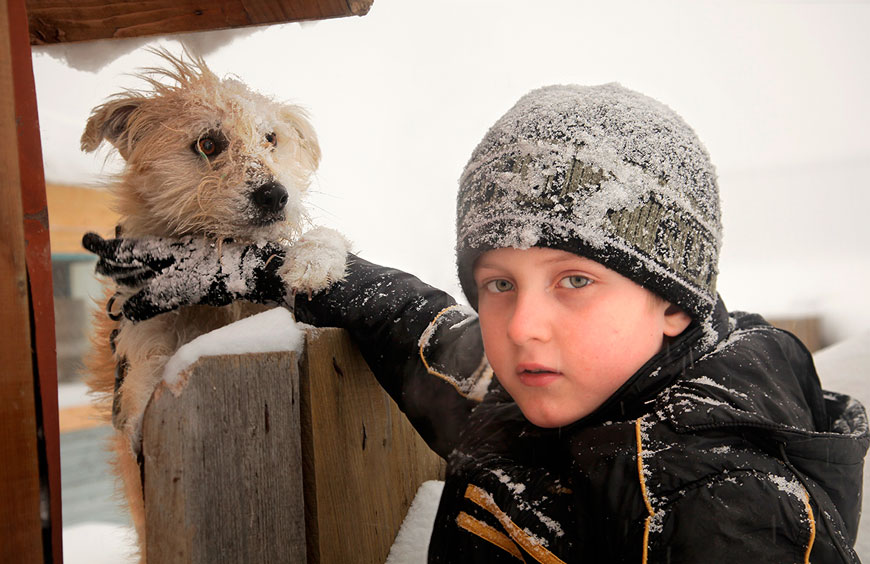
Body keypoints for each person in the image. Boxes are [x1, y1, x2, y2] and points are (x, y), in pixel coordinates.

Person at [85, 83, 868, 562]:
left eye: (574, 281)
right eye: (498, 282)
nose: (524, 325)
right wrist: (282, 270)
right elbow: (423, 334)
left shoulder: (726, 505)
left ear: (673, 298)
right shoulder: (550, 393)